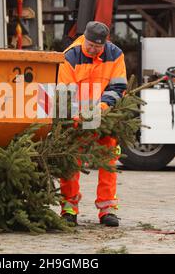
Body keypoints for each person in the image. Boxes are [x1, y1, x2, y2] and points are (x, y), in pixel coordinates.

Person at [58, 21, 127, 227]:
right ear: (84, 39)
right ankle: (69, 209)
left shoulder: (115, 55)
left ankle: (107, 210)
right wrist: (79, 117)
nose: (93, 49)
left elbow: (118, 86)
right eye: (90, 45)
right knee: (70, 163)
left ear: (105, 43)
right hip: (76, 120)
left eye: (98, 47)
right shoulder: (70, 56)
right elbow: (66, 92)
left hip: (104, 118)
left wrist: (102, 109)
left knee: (108, 160)